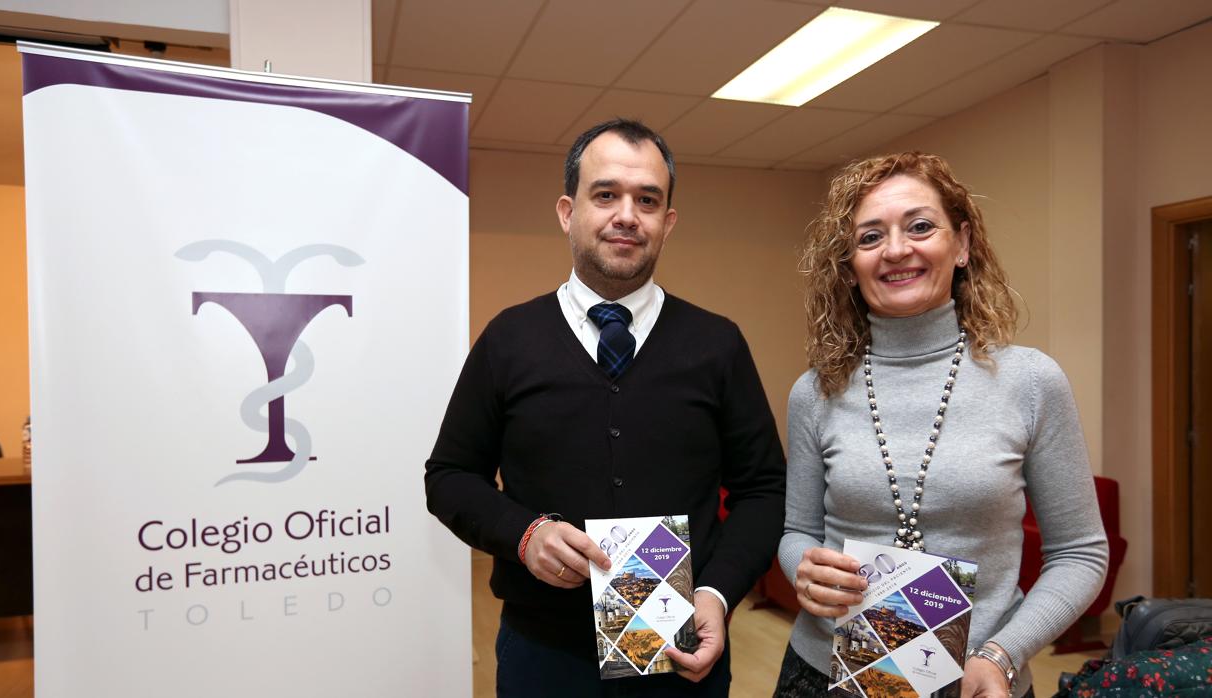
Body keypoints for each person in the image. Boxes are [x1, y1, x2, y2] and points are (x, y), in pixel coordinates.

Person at [424, 119, 785, 698]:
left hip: (683, 652)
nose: (626, 215)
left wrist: (717, 595)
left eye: (647, 200)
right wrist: (524, 535)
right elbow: (448, 477)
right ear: (568, 212)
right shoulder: (509, 340)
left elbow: (764, 488)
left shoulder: (717, 344)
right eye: (606, 194)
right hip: (543, 657)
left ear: (667, 224)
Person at [775, 152, 1109, 698]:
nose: (897, 250)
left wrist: (1003, 654)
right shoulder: (816, 391)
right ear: (850, 264)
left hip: (979, 680)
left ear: (963, 244)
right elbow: (798, 534)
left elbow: (1080, 554)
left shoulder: (1030, 381)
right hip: (827, 672)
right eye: (869, 237)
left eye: (921, 226)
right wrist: (802, 572)